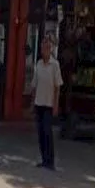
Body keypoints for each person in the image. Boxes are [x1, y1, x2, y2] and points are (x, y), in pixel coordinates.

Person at [31, 38, 62, 170]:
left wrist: (56, 104)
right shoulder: (38, 64)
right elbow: (34, 84)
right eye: (43, 48)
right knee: (40, 133)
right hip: (39, 102)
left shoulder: (54, 65)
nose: (45, 51)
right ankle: (44, 159)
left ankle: (51, 161)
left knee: (47, 131)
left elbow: (57, 86)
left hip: (49, 104)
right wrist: (32, 102)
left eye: (47, 48)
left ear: (50, 50)